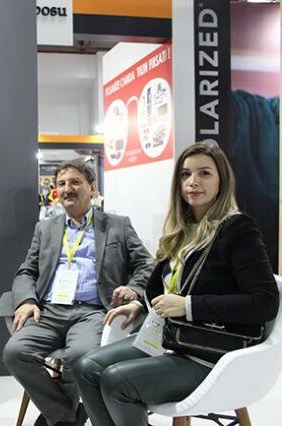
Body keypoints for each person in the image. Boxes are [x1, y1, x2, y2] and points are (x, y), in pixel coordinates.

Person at [73, 142, 280, 426]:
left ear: (221, 181)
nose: (193, 181)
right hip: (169, 337)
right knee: (85, 368)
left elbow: (264, 302)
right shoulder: (181, 230)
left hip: (211, 354)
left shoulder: (237, 229)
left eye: (204, 173)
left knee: (116, 381)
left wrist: (188, 306)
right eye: (185, 174)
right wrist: (141, 304)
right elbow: (171, 287)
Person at [2, 159, 153, 426]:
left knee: (80, 355)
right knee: (15, 352)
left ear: (92, 188)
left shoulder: (118, 225)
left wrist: (133, 288)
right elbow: (27, 270)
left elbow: (147, 264)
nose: (67, 189)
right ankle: (66, 415)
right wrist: (26, 300)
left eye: (75, 182)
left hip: (92, 311)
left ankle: (60, 416)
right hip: (48, 310)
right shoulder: (45, 228)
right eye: (61, 184)